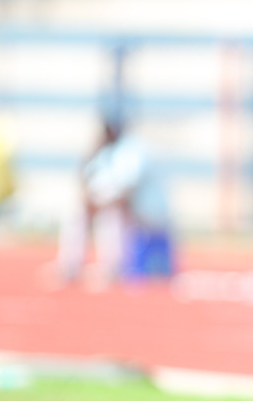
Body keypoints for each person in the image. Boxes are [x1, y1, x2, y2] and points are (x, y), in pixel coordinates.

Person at [54, 117, 171, 287]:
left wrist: (100, 205)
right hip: (128, 208)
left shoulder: (131, 150)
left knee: (110, 218)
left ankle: (113, 267)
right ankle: (71, 265)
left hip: (147, 211)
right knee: (79, 215)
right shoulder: (105, 152)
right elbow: (88, 180)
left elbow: (126, 189)